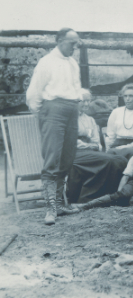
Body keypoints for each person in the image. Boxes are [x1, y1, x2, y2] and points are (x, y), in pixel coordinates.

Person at [26, 27, 82, 225]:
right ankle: (49, 208)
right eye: (71, 43)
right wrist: (45, 115)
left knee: (67, 157)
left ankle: (59, 204)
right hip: (52, 111)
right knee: (52, 159)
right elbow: (33, 94)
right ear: (59, 41)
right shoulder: (46, 62)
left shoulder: (73, 63)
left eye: (77, 43)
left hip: (72, 110)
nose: (75, 47)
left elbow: (75, 89)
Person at [77, 126, 133, 210]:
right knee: (123, 194)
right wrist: (119, 192)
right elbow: (126, 176)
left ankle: (127, 201)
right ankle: (87, 205)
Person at [66, 89, 128, 204]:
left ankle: (108, 195)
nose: (86, 104)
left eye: (88, 101)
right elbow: (72, 141)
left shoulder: (90, 119)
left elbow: (96, 140)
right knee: (109, 160)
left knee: (120, 160)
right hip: (75, 153)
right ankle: (87, 197)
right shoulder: (68, 119)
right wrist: (89, 145)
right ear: (75, 102)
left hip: (91, 151)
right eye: (82, 101)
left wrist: (96, 145)